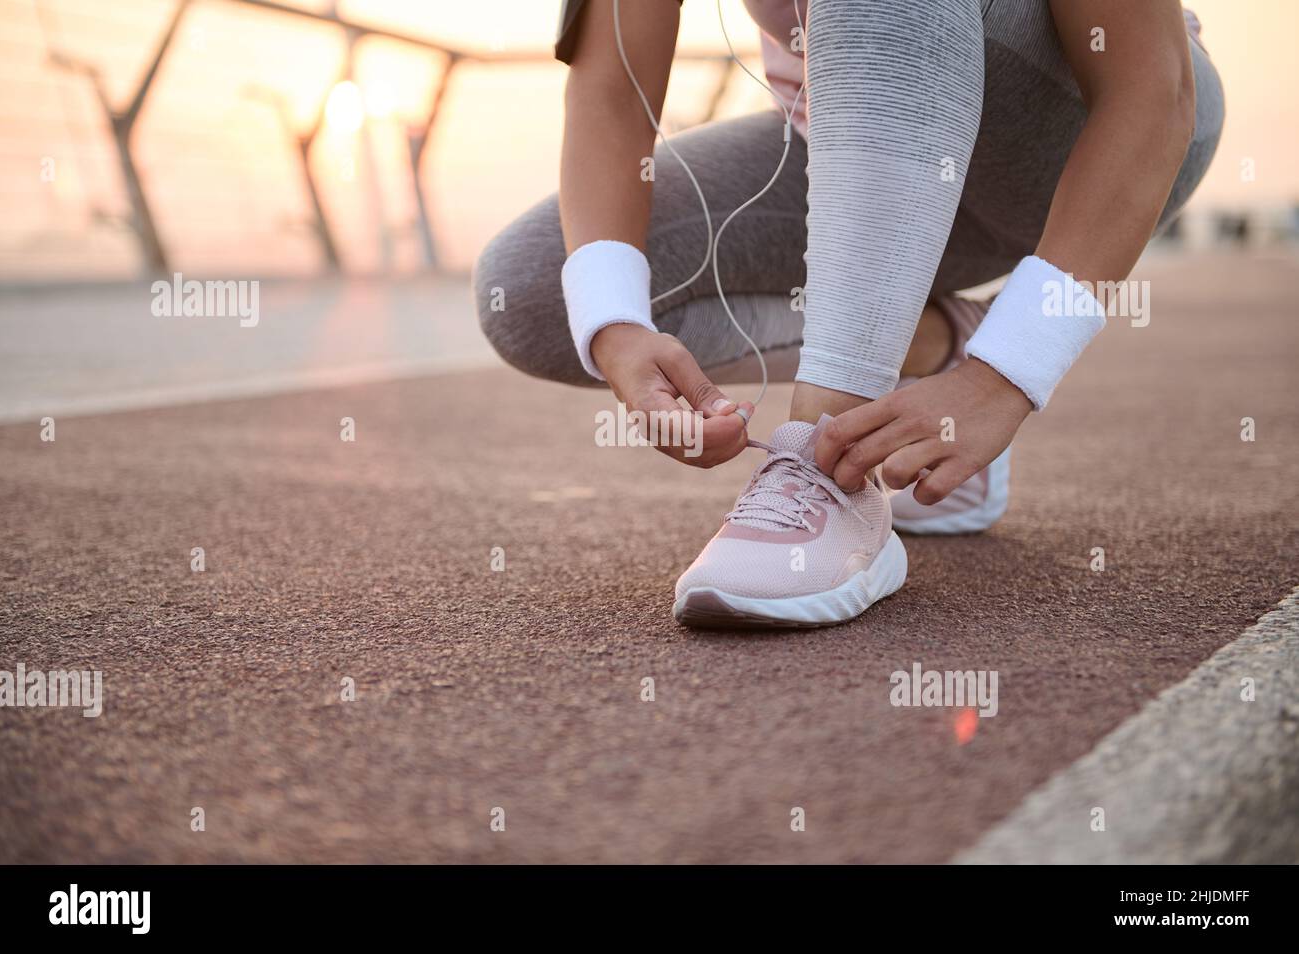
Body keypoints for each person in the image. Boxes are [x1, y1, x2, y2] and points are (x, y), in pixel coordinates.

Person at [473, 0, 1223, 627]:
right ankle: (934, 353)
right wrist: (618, 329)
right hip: (863, 149)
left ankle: (831, 464)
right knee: (537, 291)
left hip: (1073, 132)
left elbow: (1152, 89)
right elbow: (612, 90)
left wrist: (1009, 372)